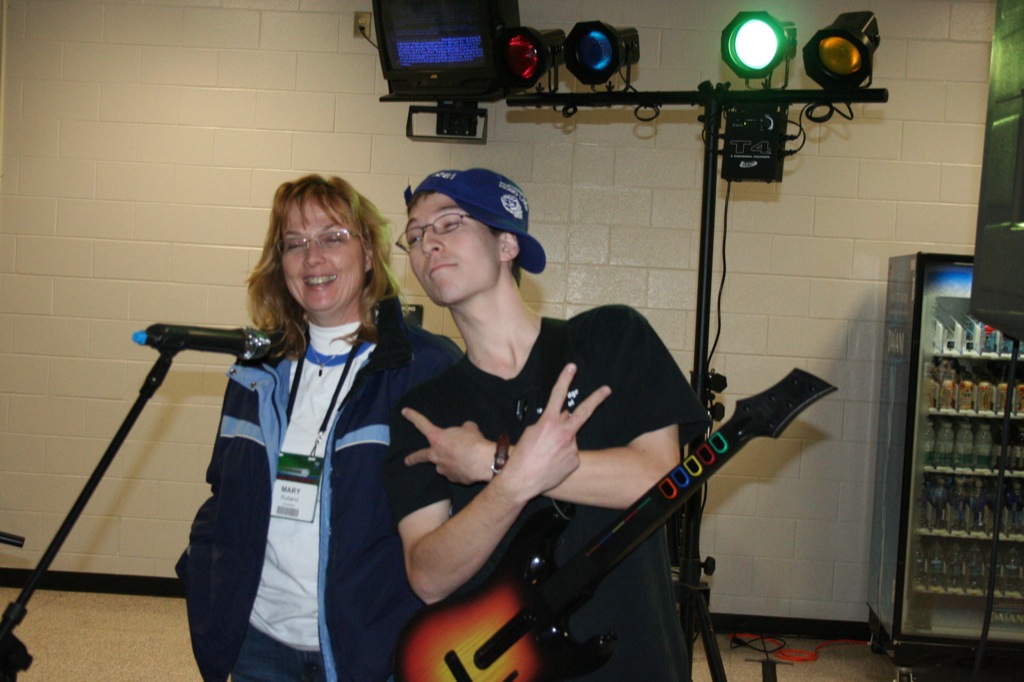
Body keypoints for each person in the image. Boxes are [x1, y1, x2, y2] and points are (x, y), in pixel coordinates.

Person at [383, 168, 711, 680]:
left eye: (449, 223)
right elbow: (427, 576)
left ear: (507, 243)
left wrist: (490, 462)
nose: (429, 244)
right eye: (416, 234)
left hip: (635, 661)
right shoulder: (427, 412)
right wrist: (512, 485)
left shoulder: (610, 338)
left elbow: (659, 478)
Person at [176, 174, 460, 682]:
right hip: (259, 640)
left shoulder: (423, 369)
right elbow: (223, 492)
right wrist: (205, 578)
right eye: (294, 243)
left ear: (369, 253)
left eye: (333, 237)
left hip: (371, 650)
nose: (313, 258)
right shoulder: (255, 370)